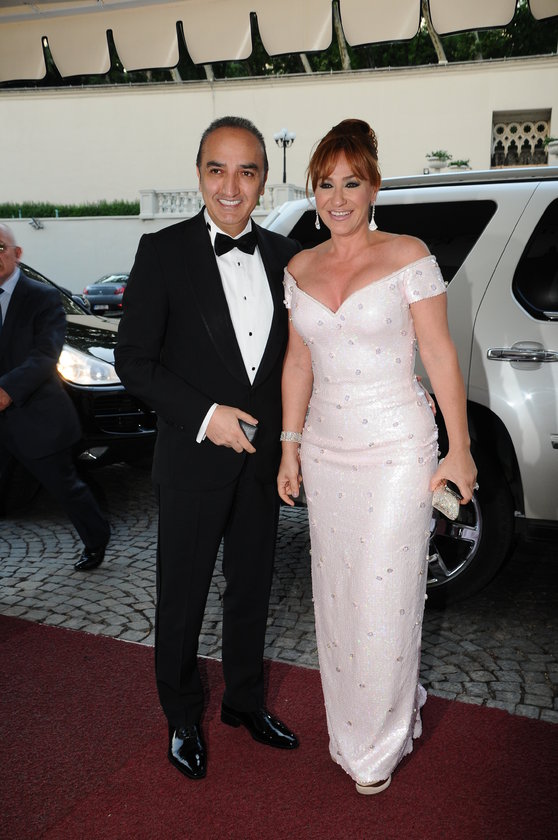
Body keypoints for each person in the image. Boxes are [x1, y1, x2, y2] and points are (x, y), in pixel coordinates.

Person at [277, 119, 477, 795]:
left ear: (374, 188)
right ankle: (357, 718)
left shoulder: (408, 256)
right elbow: (298, 363)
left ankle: (376, 745)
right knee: (338, 595)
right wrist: (290, 447)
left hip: (397, 448)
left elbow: (439, 354)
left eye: (351, 183)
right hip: (327, 450)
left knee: (384, 595)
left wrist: (460, 451)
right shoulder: (299, 268)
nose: (337, 198)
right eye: (325, 184)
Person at [115, 116, 300, 781]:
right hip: (192, 460)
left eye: (247, 171)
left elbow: (296, 364)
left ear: (263, 180)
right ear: (199, 174)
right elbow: (133, 360)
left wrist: (294, 443)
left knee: (252, 589)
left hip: (261, 464)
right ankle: (182, 715)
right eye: (217, 169)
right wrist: (205, 416)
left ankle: (245, 702)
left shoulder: (287, 257)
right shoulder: (162, 251)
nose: (231, 186)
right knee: (183, 595)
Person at [0, 223, 110, 570]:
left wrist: (6, 391)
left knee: (67, 488)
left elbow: (45, 355)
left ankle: (96, 539)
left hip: (38, 417)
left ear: (17, 254)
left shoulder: (42, 297)